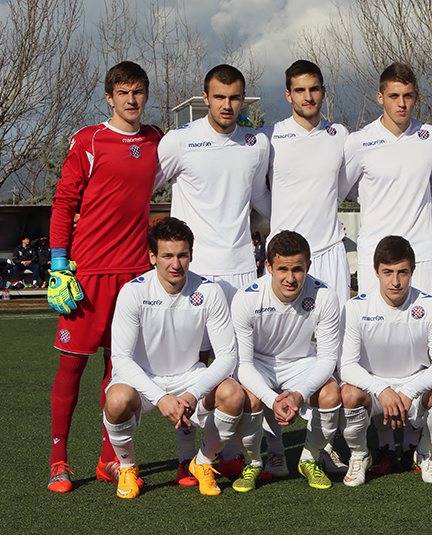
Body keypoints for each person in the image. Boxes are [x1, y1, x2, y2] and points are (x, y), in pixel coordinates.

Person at [46, 61, 163, 493]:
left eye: (139, 92)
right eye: (123, 92)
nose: (132, 100)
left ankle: (109, 460)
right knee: (72, 367)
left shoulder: (155, 140)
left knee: (120, 373)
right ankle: (59, 461)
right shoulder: (88, 140)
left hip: (135, 276)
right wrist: (59, 265)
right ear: (109, 97)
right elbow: (63, 204)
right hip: (88, 275)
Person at [342, 62, 432, 469]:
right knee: (377, 347)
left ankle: (414, 442)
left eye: (408, 96)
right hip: (378, 257)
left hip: (422, 254)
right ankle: (384, 442)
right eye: (393, 96)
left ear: (416, 97)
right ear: (380, 97)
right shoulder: (360, 142)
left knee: (420, 348)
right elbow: (343, 190)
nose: (401, 103)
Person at [156, 64, 272, 481]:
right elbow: (141, 189)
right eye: (219, 97)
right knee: (194, 369)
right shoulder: (178, 142)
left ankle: (231, 452)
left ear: (243, 99)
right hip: (193, 275)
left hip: (242, 272)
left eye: (235, 97)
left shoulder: (256, 145)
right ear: (205, 98)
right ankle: (189, 454)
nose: (227, 105)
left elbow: (261, 198)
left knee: (238, 373)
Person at [104, 217, 246, 498]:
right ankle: (127, 467)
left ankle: (202, 463)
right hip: (143, 378)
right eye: (167, 255)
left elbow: (228, 355)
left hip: (189, 376)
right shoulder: (133, 292)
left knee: (233, 394)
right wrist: (160, 397)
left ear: (191, 255)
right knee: (117, 400)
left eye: (182, 255)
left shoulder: (209, 291)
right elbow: (120, 358)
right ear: (152, 256)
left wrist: (193, 394)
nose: (176, 264)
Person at [260, 59, 351, 476]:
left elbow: (343, 187)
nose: (308, 97)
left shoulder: (340, 136)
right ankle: (273, 443)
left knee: (335, 352)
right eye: (300, 90)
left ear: (323, 91)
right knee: (274, 349)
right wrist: (280, 223)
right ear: (288, 94)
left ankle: (322, 443)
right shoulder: (270, 138)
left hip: (330, 253)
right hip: (284, 259)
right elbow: (257, 193)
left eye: (314, 89)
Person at [339, 236, 432, 485]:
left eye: (402, 272)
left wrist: (409, 390)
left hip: (414, 390)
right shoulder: (356, 308)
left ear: (413, 270)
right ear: (375, 271)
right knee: (348, 394)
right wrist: (381, 389)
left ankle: (425, 452)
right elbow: (347, 365)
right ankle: (360, 455)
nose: (395, 281)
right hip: (374, 391)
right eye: (388, 272)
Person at [231, 230, 342, 492]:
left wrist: (299, 395)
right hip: (259, 362)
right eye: (282, 269)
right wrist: (273, 398)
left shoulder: (324, 295)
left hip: (301, 361)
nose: (290, 278)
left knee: (331, 393)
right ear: (267, 266)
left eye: (298, 269)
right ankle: (258, 460)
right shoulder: (246, 297)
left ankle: (309, 458)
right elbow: (243, 365)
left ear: (309, 266)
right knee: (249, 396)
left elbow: (327, 358)